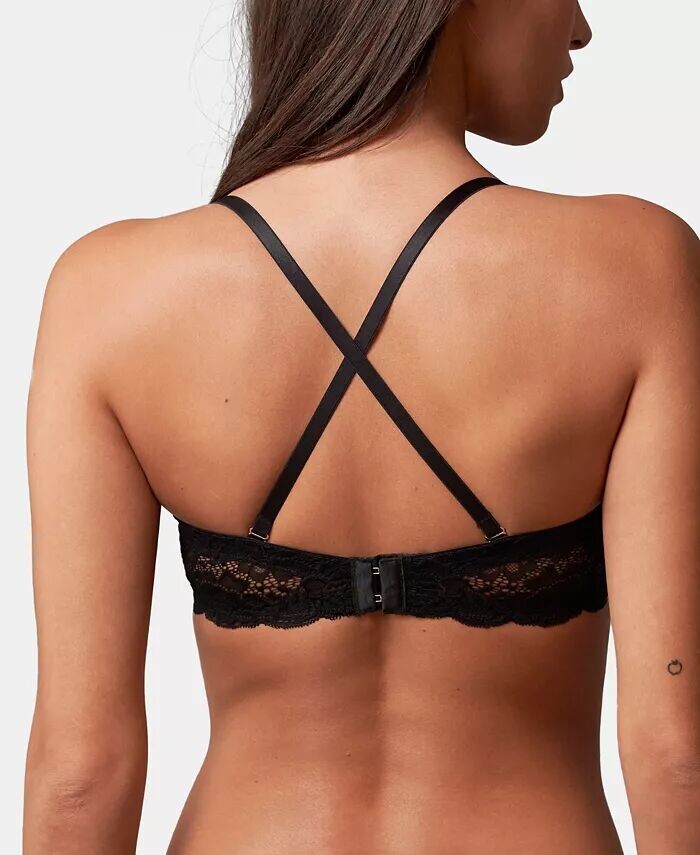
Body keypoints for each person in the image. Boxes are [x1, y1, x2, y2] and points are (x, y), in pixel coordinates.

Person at [23, 1, 699, 853]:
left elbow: (80, 774)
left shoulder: (108, 294)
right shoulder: (637, 269)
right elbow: (677, 755)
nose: (579, 26)